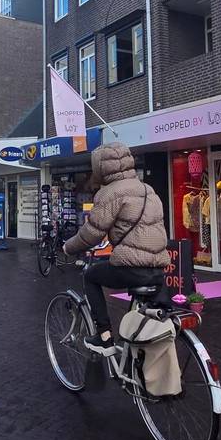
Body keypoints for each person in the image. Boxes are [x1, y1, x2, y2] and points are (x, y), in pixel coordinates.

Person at [63, 142, 170, 355]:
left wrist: (68, 247)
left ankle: (104, 337)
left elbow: (92, 234)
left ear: (101, 168)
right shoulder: (148, 190)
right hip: (158, 269)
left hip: (131, 268)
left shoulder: (110, 193)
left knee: (92, 276)